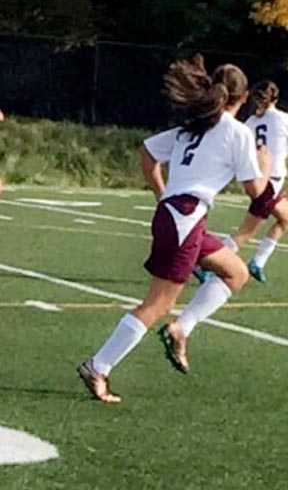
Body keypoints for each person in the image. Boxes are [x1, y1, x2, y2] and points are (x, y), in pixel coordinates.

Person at [77, 55, 270, 402]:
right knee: (157, 304)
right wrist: (266, 169)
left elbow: (147, 152)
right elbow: (258, 195)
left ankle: (183, 328)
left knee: (236, 273)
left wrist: (163, 194)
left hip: (180, 216)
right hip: (186, 220)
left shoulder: (193, 125)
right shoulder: (237, 131)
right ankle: (99, 366)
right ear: (241, 100)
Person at [222, 80, 288, 283]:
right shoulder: (283, 119)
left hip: (257, 179)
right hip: (272, 179)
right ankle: (203, 262)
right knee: (245, 233)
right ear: (275, 99)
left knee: (285, 218)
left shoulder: (250, 122)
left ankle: (258, 262)